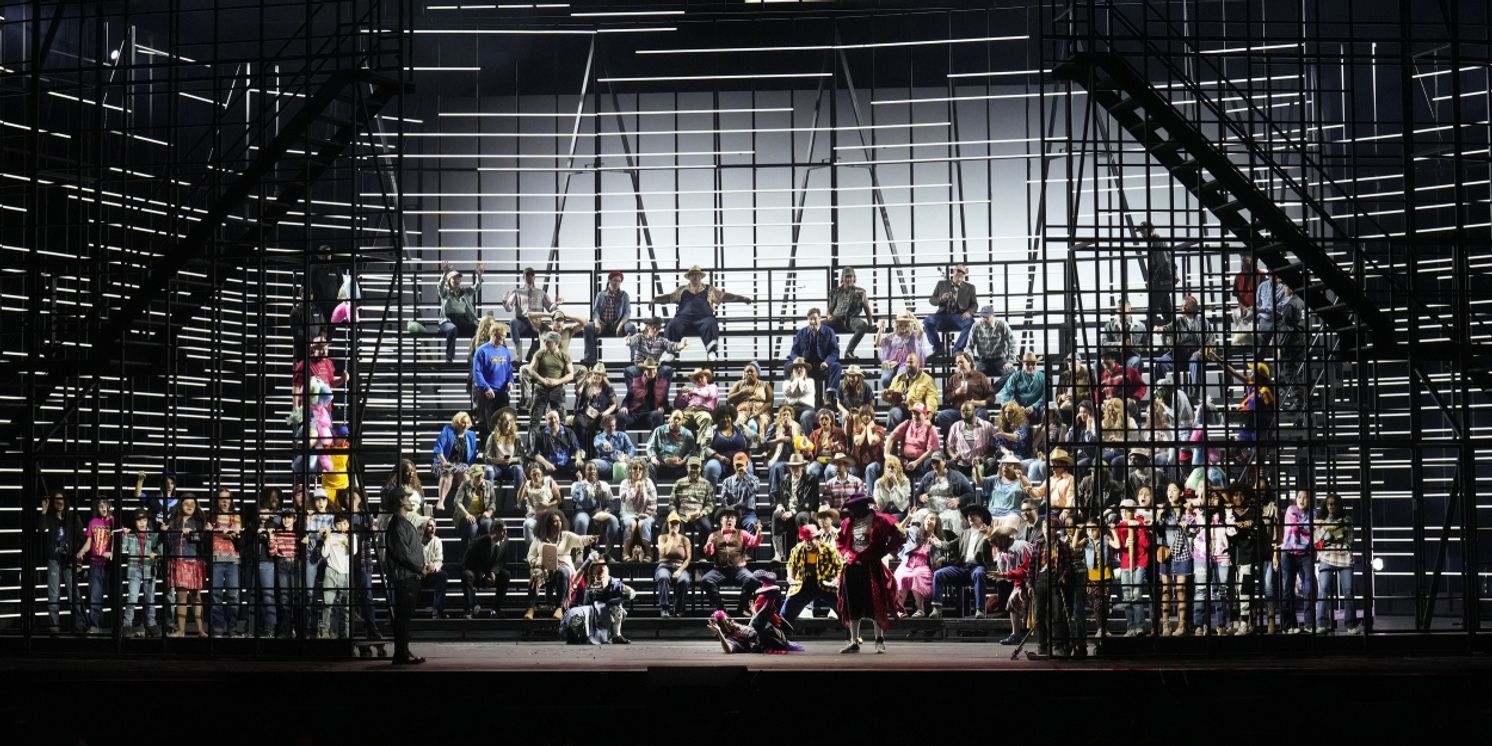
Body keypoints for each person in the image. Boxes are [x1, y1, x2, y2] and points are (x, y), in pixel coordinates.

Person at [835, 492, 905, 653]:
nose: (852, 510)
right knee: (852, 605)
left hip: (872, 567)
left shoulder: (881, 520)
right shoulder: (847, 523)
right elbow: (840, 542)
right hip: (852, 567)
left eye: (855, 507)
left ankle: (879, 640)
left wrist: (883, 550)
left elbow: (899, 534)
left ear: (864, 506)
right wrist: (846, 554)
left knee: (876, 603)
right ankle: (854, 641)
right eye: (851, 508)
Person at [650, 264, 753, 361]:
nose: (695, 277)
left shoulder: (710, 290)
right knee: (672, 324)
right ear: (689, 277)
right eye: (693, 275)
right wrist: (655, 300)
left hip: (704, 318)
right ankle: (671, 352)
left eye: (697, 275)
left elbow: (725, 296)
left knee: (711, 323)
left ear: (700, 277)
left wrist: (742, 298)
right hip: (683, 318)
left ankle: (711, 352)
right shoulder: (681, 290)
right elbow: (669, 297)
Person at [525, 509, 598, 620]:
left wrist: (591, 538)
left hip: (563, 565)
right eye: (555, 521)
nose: (558, 523)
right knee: (536, 574)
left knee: (563, 572)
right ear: (548, 524)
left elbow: (580, 540)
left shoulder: (566, 536)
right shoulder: (539, 538)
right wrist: (534, 561)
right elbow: (531, 555)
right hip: (544, 565)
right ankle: (530, 608)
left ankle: (559, 608)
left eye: (559, 521)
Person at [384, 485, 427, 664]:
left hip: (409, 575)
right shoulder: (397, 524)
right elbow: (403, 553)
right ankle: (401, 653)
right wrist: (419, 568)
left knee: (405, 616)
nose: (411, 501)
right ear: (401, 501)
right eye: (407, 498)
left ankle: (403, 652)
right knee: (403, 617)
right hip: (405, 576)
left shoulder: (401, 523)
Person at [928, 505, 992, 619]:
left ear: (981, 518)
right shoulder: (964, 533)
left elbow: (995, 543)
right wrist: (938, 543)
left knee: (979, 573)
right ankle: (936, 608)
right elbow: (949, 545)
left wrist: (988, 534)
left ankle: (980, 609)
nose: (970, 517)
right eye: (969, 515)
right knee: (938, 574)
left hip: (977, 566)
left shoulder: (988, 533)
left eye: (974, 515)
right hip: (962, 567)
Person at [562, 555, 635, 645]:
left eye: (603, 566)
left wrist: (625, 596)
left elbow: (631, 592)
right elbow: (574, 581)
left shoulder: (612, 582)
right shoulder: (584, 580)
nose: (600, 568)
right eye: (597, 566)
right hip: (587, 611)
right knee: (575, 615)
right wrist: (587, 562)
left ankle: (617, 636)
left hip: (605, 613)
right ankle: (576, 636)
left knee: (616, 608)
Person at [701, 508, 762, 612]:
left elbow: (754, 542)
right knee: (706, 580)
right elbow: (709, 553)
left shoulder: (742, 533)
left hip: (738, 569)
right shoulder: (713, 535)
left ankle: (742, 607)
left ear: (735, 521)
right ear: (721, 520)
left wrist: (758, 532)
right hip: (720, 570)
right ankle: (720, 609)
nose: (730, 520)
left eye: (732, 518)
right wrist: (709, 545)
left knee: (752, 579)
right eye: (727, 517)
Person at [782, 521, 843, 621]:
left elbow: (840, 566)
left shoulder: (829, 549)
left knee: (843, 610)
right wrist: (791, 577)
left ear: (817, 538)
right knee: (786, 613)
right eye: (805, 540)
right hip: (805, 583)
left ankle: (852, 629)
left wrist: (837, 580)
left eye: (810, 540)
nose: (808, 543)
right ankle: (783, 629)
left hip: (826, 582)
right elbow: (791, 565)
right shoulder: (798, 549)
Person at [1315, 493, 1358, 634]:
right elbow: (1316, 540)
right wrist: (1326, 530)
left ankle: (1351, 624)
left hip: (1344, 556)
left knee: (1348, 590)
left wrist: (1338, 533)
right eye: (1328, 504)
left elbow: (1351, 539)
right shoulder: (1322, 521)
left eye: (1333, 503)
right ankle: (1322, 623)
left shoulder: (1346, 519)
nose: (1331, 506)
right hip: (1327, 556)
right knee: (1323, 590)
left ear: (1339, 505)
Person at [165, 495, 207, 638]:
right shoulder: (173, 521)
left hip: (193, 561)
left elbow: (202, 540)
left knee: (196, 597)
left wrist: (192, 534)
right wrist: (165, 531)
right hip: (178, 561)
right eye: (186, 503)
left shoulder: (199, 521)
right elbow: (168, 542)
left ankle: (201, 630)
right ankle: (181, 631)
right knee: (181, 596)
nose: (189, 506)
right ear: (180, 505)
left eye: (192, 504)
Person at [1108, 499, 1152, 636]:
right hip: (1126, 563)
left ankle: (1140, 626)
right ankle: (1130, 626)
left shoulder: (1141, 523)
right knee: (1127, 596)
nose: (1125, 513)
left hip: (1140, 562)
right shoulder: (1120, 526)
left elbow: (1146, 544)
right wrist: (1125, 544)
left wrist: (1139, 529)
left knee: (1136, 594)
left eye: (1128, 510)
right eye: (1123, 510)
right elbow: (1118, 547)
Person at [787, 308, 844, 408]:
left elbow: (835, 351)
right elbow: (793, 351)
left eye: (815, 319)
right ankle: (791, 396)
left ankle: (829, 396)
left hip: (822, 366)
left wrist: (827, 362)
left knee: (837, 366)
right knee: (787, 365)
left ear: (820, 318)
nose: (813, 321)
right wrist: (796, 358)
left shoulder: (829, 332)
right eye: (810, 319)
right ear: (807, 319)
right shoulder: (801, 333)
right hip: (806, 368)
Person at [75, 497, 116, 634]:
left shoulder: (114, 521)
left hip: (110, 565)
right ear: (97, 509)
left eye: (105, 505)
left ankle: (116, 627)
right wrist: (82, 551)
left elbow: (121, 541)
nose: (103, 508)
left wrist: (112, 552)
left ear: (109, 506)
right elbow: (89, 542)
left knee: (113, 595)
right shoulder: (93, 522)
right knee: (95, 596)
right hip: (95, 564)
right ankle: (95, 626)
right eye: (100, 506)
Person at [1153, 295, 1213, 387]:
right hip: (1179, 353)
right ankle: (1159, 389)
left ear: (1193, 306)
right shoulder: (1179, 321)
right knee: (1160, 362)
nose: (1183, 307)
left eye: (1186, 305)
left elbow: (1209, 342)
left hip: (1195, 352)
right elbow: (1167, 328)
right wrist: (1160, 329)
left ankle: (1195, 390)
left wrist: (1200, 352)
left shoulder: (1204, 322)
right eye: (1182, 305)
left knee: (1195, 360)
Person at [204, 490, 242, 638]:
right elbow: (207, 532)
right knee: (216, 596)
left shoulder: (235, 516)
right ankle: (218, 629)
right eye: (222, 499)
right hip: (216, 560)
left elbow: (237, 533)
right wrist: (223, 532)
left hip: (232, 561)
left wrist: (216, 531)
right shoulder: (211, 516)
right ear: (217, 501)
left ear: (231, 500)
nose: (225, 502)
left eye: (227, 499)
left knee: (233, 595)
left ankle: (232, 629)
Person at [500, 265, 555, 363]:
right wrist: (505, 303)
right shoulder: (517, 292)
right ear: (523, 277)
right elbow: (509, 308)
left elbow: (550, 307)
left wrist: (556, 305)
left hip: (536, 321)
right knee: (513, 322)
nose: (529, 276)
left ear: (534, 277)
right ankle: (518, 355)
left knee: (548, 330)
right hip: (522, 321)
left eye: (531, 274)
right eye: (527, 274)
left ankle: (534, 352)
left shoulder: (541, 293)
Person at [583, 270, 637, 368]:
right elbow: (596, 310)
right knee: (588, 327)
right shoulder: (601, 295)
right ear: (609, 280)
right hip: (603, 324)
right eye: (615, 280)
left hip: (618, 324)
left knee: (632, 328)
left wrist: (620, 326)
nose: (617, 283)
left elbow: (627, 312)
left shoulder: (624, 295)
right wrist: (597, 322)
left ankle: (635, 359)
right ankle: (590, 360)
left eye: (619, 281)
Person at [771, 454, 819, 563]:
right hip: (788, 509)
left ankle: (806, 551)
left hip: (803, 510)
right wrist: (780, 505)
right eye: (792, 466)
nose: (795, 469)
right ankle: (778, 553)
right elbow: (779, 497)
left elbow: (809, 502)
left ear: (802, 466)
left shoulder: (811, 479)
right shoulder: (785, 479)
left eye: (797, 466)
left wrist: (793, 511)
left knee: (800, 517)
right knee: (776, 514)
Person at [1279, 490, 1316, 633]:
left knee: (1309, 589)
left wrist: (1308, 528)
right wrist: (1308, 527)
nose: (1302, 499)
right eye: (1299, 497)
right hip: (1289, 553)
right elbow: (1296, 527)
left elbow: (1310, 531)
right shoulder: (1291, 509)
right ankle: (1289, 625)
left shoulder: (1313, 513)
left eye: (1305, 497)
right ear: (1296, 499)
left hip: (1305, 554)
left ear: (1309, 500)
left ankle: (1309, 624)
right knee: (1288, 590)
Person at [120, 509, 161, 636]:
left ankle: (151, 624)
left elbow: (160, 549)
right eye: (139, 520)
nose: (142, 523)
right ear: (135, 522)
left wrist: (156, 554)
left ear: (148, 521)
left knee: (150, 598)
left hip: (149, 568)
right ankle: (127, 625)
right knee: (132, 598)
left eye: (144, 520)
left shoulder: (153, 534)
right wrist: (124, 536)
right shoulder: (131, 535)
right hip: (135, 569)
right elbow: (122, 550)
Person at [923, 264, 979, 357]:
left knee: (971, 322)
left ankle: (957, 349)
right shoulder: (941, 284)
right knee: (927, 321)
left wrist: (969, 312)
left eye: (963, 272)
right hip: (942, 316)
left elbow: (974, 304)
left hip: (960, 316)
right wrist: (941, 298)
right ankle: (938, 348)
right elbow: (932, 300)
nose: (960, 274)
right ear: (953, 271)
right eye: (958, 271)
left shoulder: (970, 287)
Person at [895, 513, 943, 617]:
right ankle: (900, 609)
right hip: (908, 562)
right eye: (927, 518)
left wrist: (940, 558)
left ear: (936, 524)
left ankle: (920, 609)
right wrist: (908, 518)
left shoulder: (938, 539)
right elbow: (898, 530)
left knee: (916, 576)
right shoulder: (915, 531)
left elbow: (941, 554)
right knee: (901, 576)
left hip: (924, 565)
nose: (929, 521)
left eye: (932, 519)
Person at [522, 331, 577, 423]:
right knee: (535, 419)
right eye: (545, 341)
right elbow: (531, 369)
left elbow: (571, 375)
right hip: (541, 388)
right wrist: (543, 380)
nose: (546, 343)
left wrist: (557, 381)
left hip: (557, 389)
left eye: (549, 342)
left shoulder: (564, 355)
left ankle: (559, 433)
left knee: (560, 419)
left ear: (556, 343)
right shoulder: (540, 353)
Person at [471, 321, 516, 432]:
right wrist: (486, 387)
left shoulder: (505, 351)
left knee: (504, 424)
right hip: (487, 392)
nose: (503, 339)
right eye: (500, 336)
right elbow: (477, 372)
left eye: (504, 336)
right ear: (493, 334)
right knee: (485, 425)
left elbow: (509, 370)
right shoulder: (482, 351)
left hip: (502, 393)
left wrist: (510, 381)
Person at [461, 521, 511, 619]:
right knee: (466, 575)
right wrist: (483, 576)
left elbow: (501, 560)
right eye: (502, 531)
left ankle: (496, 609)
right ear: (494, 531)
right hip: (476, 573)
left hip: (491, 572)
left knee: (506, 575)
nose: (505, 533)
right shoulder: (479, 542)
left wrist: (493, 572)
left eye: (506, 530)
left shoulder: (505, 540)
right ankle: (469, 609)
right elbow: (468, 563)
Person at [437, 261, 485, 363]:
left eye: (458, 279)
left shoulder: (464, 292)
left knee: (478, 329)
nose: (456, 280)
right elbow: (440, 287)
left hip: (462, 320)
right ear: (449, 280)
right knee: (452, 329)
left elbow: (476, 287)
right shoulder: (445, 293)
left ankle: (473, 356)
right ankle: (449, 358)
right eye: (454, 278)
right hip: (448, 321)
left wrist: (479, 275)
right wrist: (444, 274)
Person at [432, 411, 479, 513]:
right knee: (448, 472)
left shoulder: (471, 435)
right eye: (463, 422)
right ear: (457, 422)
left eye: (467, 423)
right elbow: (438, 448)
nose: (465, 425)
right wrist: (444, 462)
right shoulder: (447, 430)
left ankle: (466, 504)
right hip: (443, 462)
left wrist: (470, 468)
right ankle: (441, 501)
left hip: (460, 465)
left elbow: (473, 454)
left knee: (466, 476)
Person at [935, 352, 993, 433]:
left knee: (982, 413)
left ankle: (977, 438)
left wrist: (978, 402)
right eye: (958, 363)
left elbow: (991, 396)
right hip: (959, 411)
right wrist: (956, 392)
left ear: (969, 362)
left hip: (975, 410)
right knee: (942, 415)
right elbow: (946, 398)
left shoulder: (980, 377)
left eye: (962, 362)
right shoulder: (954, 378)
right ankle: (954, 438)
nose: (960, 364)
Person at [825, 266, 875, 359]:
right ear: (842, 278)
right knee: (819, 325)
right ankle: (823, 353)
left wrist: (870, 324)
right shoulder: (835, 292)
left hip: (852, 319)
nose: (848, 279)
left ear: (854, 278)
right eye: (846, 277)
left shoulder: (860, 292)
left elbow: (867, 308)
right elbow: (830, 309)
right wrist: (829, 316)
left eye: (850, 277)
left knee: (862, 325)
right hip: (837, 319)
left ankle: (849, 352)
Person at [701, 405, 757, 487]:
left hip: (740, 460)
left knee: (747, 467)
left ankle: (745, 495)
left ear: (732, 418)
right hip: (719, 461)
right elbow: (704, 447)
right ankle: (710, 494)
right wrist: (719, 457)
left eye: (727, 417)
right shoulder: (712, 430)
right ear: (718, 419)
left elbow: (754, 438)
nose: (725, 419)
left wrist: (747, 456)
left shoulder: (740, 428)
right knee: (711, 467)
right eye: (722, 418)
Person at [482, 408, 526, 512]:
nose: (508, 423)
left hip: (511, 467)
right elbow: (486, 456)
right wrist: (498, 461)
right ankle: (490, 503)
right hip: (497, 467)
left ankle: (518, 502)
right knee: (488, 470)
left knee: (519, 469)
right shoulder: (492, 437)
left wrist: (512, 460)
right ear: (500, 422)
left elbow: (523, 457)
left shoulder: (517, 437)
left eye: (510, 420)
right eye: (506, 420)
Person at [875, 311, 934, 388]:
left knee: (901, 377)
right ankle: (893, 391)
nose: (903, 327)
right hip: (892, 363)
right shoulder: (892, 336)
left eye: (906, 325)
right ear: (897, 325)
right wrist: (880, 328)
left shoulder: (912, 336)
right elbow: (878, 343)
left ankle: (899, 391)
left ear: (909, 326)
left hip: (906, 363)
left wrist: (913, 318)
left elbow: (921, 331)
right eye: (900, 325)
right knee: (885, 380)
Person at [885, 402, 940, 483]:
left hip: (921, 461)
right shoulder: (907, 423)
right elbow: (891, 437)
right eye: (913, 413)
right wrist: (886, 454)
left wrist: (916, 462)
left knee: (931, 464)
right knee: (891, 464)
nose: (915, 416)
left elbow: (931, 450)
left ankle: (926, 489)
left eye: (918, 414)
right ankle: (896, 489)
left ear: (925, 415)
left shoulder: (930, 428)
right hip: (905, 459)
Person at [571, 462, 619, 553]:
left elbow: (610, 503)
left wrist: (606, 512)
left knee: (614, 520)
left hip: (599, 511)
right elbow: (576, 499)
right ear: (584, 472)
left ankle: (608, 552)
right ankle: (579, 552)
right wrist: (581, 484)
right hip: (583, 511)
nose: (592, 471)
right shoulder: (578, 484)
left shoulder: (604, 485)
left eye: (594, 469)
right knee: (581, 521)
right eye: (589, 469)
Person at [882, 354, 938, 432]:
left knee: (918, 417)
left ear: (918, 364)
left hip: (917, 411)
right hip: (900, 409)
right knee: (893, 413)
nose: (908, 364)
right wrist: (885, 395)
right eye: (907, 362)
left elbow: (931, 398)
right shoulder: (898, 378)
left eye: (911, 362)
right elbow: (890, 395)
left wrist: (929, 415)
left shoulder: (927, 380)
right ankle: (892, 439)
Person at [266, 509, 299, 638]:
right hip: (282, 563)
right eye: (284, 517)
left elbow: (303, 550)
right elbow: (272, 552)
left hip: (295, 563)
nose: (286, 520)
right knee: (284, 597)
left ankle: (297, 628)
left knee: (296, 596)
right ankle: (286, 630)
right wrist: (271, 538)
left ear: (294, 519)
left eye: (289, 517)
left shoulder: (298, 532)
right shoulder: (278, 532)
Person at [527, 408, 585, 481]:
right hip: (549, 465)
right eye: (550, 418)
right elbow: (537, 455)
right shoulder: (540, 435)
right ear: (546, 420)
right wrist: (546, 464)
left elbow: (577, 448)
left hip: (567, 464)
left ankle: (579, 486)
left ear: (559, 419)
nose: (554, 420)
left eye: (555, 417)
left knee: (583, 466)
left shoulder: (569, 432)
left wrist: (578, 459)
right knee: (535, 467)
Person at [968, 305, 1018, 389]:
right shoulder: (976, 326)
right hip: (983, 361)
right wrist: (972, 363)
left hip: (999, 360)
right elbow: (968, 347)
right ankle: (986, 392)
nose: (984, 319)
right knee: (971, 374)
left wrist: (1010, 361)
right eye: (983, 317)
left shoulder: (1002, 325)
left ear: (993, 315)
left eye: (987, 317)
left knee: (1011, 372)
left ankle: (993, 390)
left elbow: (1012, 343)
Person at [319, 513, 352, 639]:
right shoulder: (332, 536)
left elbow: (353, 551)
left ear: (348, 524)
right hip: (331, 571)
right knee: (328, 604)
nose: (341, 526)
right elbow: (324, 554)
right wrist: (327, 538)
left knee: (346, 606)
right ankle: (325, 632)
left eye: (344, 523)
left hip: (346, 572)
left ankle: (345, 633)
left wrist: (347, 539)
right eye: (338, 523)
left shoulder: (352, 536)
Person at [572, 363, 618, 454]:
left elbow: (614, 404)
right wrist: (584, 377)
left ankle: (604, 451)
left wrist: (606, 412)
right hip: (584, 414)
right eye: (595, 374)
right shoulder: (586, 384)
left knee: (608, 422)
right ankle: (580, 450)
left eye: (599, 374)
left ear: (603, 376)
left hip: (600, 415)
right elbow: (577, 389)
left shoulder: (607, 388)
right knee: (580, 422)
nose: (597, 376)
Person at [623, 318, 685, 383]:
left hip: (654, 369)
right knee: (628, 370)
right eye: (653, 327)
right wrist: (627, 341)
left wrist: (681, 345)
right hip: (640, 368)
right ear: (648, 327)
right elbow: (630, 341)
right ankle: (633, 389)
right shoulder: (639, 337)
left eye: (658, 328)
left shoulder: (662, 341)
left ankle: (661, 389)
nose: (655, 330)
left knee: (668, 369)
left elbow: (672, 346)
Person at [668, 456, 716, 539]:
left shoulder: (707, 484)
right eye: (691, 467)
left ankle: (702, 547)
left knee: (707, 528)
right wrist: (674, 513)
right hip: (682, 516)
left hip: (699, 516)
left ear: (700, 468)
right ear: (687, 468)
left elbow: (710, 504)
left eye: (696, 467)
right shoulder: (679, 483)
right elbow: (672, 502)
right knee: (668, 526)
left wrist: (702, 513)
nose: (694, 470)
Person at [654, 514, 692, 617]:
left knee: (684, 580)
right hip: (664, 566)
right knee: (663, 577)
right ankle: (665, 608)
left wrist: (680, 571)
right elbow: (664, 553)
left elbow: (688, 558)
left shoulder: (685, 539)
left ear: (679, 526)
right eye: (672, 523)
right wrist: (671, 537)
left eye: (676, 524)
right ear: (668, 525)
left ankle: (679, 610)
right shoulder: (662, 537)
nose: (674, 526)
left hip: (680, 567)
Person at [1139, 221, 1176, 327]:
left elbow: (1163, 262)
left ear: (1150, 230)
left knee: (1151, 312)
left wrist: (1155, 277)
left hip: (1161, 283)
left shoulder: (1156, 242)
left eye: (1143, 231)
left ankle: (1148, 334)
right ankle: (1172, 332)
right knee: (1167, 312)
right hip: (1165, 282)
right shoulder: (1158, 242)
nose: (1142, 234)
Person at [946, 400, 996, 478]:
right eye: (963, 411)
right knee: (947, 464)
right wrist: (953, 456)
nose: (965, 413)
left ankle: (985, 483)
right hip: (961, 464)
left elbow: (993, 448)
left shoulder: (987, 426)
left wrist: (983, 458)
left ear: (974, 411)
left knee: (992, 462)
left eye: (968, 410)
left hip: (981, 464)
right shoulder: (955, 426)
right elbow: (949, 447)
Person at [619, 357, 670, 431]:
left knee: (658, 415)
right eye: (648, 370)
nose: (651, 372)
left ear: (656, 369)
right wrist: (624, 406)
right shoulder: (636, 382)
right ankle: (621, 438)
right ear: (644, 370)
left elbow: (665, 403)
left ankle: (654, 439)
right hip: (634, 414)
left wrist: (662, 407)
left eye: (653, 369)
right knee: (619, 416)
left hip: (650, 415)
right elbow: (627, 399)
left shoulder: (663, 384)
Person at [646, 410, 697, 482]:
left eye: (679, 419)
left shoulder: (688, 434)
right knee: (649, 467)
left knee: (694, 466)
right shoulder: (659, 430)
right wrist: (653, 457)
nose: (676, 421)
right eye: (674, 418)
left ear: (682, 422)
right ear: (669, 419)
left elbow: (692, 451)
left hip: (680, 466)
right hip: (661, 464)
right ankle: (652, 489)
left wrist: (684, 461)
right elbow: (651, 446)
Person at [453, 466, 496, 547]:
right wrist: (467, 515)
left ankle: (487, 551)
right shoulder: (465, 485)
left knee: (488, 524)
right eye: (477, 476)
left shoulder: (489, 485)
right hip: (466, 515)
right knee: (472, 527)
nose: (479, 477)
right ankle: (469, 552)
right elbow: (457, 502)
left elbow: (492, 502)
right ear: (471, 476)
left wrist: (489, 512)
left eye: (481, 475)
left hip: (481, 515)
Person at [618, 460, 658, 547]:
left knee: (643, 524)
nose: (638, 470)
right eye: (635, 468)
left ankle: (648, 552)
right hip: (628, 513)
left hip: (647, 513)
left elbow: (653, 501)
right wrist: (634, 488)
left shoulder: (648, 482)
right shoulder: (625, 483)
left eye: (640, 468)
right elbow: (623, 499)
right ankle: (626, 551)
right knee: (631, 524)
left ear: (644, 471)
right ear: (630, 470)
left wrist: (647, 513)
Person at [518, 464, 562, 542]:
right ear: (530, 475)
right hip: (534, 516)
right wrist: (523, 483)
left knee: (552, 525)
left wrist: (548, 505)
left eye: (538, 474)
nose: (536, 476)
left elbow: (559, 500)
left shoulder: (549, 481)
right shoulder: (527, 484)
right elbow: (519, 499)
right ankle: (532, 548)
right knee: (527, 524)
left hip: (549, 516)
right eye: (534, 474)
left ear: (542, 473)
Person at [718, 452, 762, 531]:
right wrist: (730, 510)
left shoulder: (754, 479)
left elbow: (754, 488)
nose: (739, 467)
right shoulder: (727, 481)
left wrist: (746, 475)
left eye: (741, 465)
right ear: (734, 466)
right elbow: (724, 501)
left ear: (746, 464)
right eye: (737, 465)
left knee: (752, 525)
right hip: (732, 513)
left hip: (748, 514)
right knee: (726, 524)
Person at [727, 361, 774, 435]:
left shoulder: (765, 385)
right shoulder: (739, 384)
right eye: (747, 372)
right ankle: (739, 441)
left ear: (757, 373)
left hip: (761, 412)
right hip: (742, 412)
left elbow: (769, 402)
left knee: (763, 421)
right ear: (744, 374)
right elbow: (729, 399)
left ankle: (761, 441)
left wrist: (759, 412)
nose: (749, 373)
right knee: (738, 421)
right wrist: (742, 392)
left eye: (751, 371)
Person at [997, 351, 1046, 420]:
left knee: (1046, 412)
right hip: (1018, 409)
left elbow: (1045, 395)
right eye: (1027, 364)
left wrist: (1034, 406)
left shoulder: (1042, 377)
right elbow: (1006, 394)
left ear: (1036, 364)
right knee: (1019, 420)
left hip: (1037, 408)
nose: (1030, 366)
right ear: (1023, 364)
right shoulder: (1015, 377)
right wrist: (1015, 407)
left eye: (1033, 364)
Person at [417, 517, 450, 620]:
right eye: (430, 526)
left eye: (434, 526)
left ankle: (437, 610)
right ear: (424, 527)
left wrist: (433, 567)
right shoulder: (417, 541)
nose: (433, 529)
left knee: (443, 576)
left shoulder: (437, 541)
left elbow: (439, 560)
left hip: (430, 573)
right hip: (418, 573)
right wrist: (422, 569)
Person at [846, 404, 886, 488]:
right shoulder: (858, 429)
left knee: (870, 468)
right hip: (859, 463)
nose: (865, 417)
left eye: (867, 414)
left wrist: (868, 428)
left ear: (872, 416)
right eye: (863, 415)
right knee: (852, 469)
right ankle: (855, 495)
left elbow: (872, 441)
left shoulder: (879, 428)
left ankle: (870, 495)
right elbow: (858, 442)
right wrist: (865, 429)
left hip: (876, 462)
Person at [589, 414, 637, 483]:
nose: (611, 428)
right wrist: (603, 443)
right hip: (606, 463)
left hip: (621, 461)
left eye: (613, 426)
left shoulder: (622, 435)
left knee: (637, 463)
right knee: (592, 463)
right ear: (603, 426)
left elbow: (631, 448)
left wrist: (628, 456)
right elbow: (596, 443)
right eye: (608, 427)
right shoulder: (599, 437)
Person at [804, 409, 846, 481]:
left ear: (831, 420)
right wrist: (807, 453)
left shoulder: (839, 432)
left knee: (830, 471)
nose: (824, 421)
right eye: (821, 419)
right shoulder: (814, 434)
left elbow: (843, 449)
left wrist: (838, 448)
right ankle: (813, 488)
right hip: (818, 461)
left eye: (826, 418)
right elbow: (811, 452)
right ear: (819, 421)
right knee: (810, 470)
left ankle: (830, 488)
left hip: (833, 460)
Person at [782, 357, 819, 435]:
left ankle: (805, 440)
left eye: (801, 367)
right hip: (791, 409)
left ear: (805, 370)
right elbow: (788, 393)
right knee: (785, 417)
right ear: (792, 371)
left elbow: (805, 391)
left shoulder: (810, 381)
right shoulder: (786, 383)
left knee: (805, 416)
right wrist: (796, 379)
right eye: (796, 368)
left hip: (807, 409)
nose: (799, 369)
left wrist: (800, 379)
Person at [872, 455, 912, 520]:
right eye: (888, 467)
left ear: (898, 469)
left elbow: (901, 500)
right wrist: (877, 506)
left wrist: (896, 483)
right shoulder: (879, 482)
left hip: (900, 510)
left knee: (891, 520)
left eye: (893, 467)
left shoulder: (905, 481)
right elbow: (878, 502)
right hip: (885, 510)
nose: (890, 470)